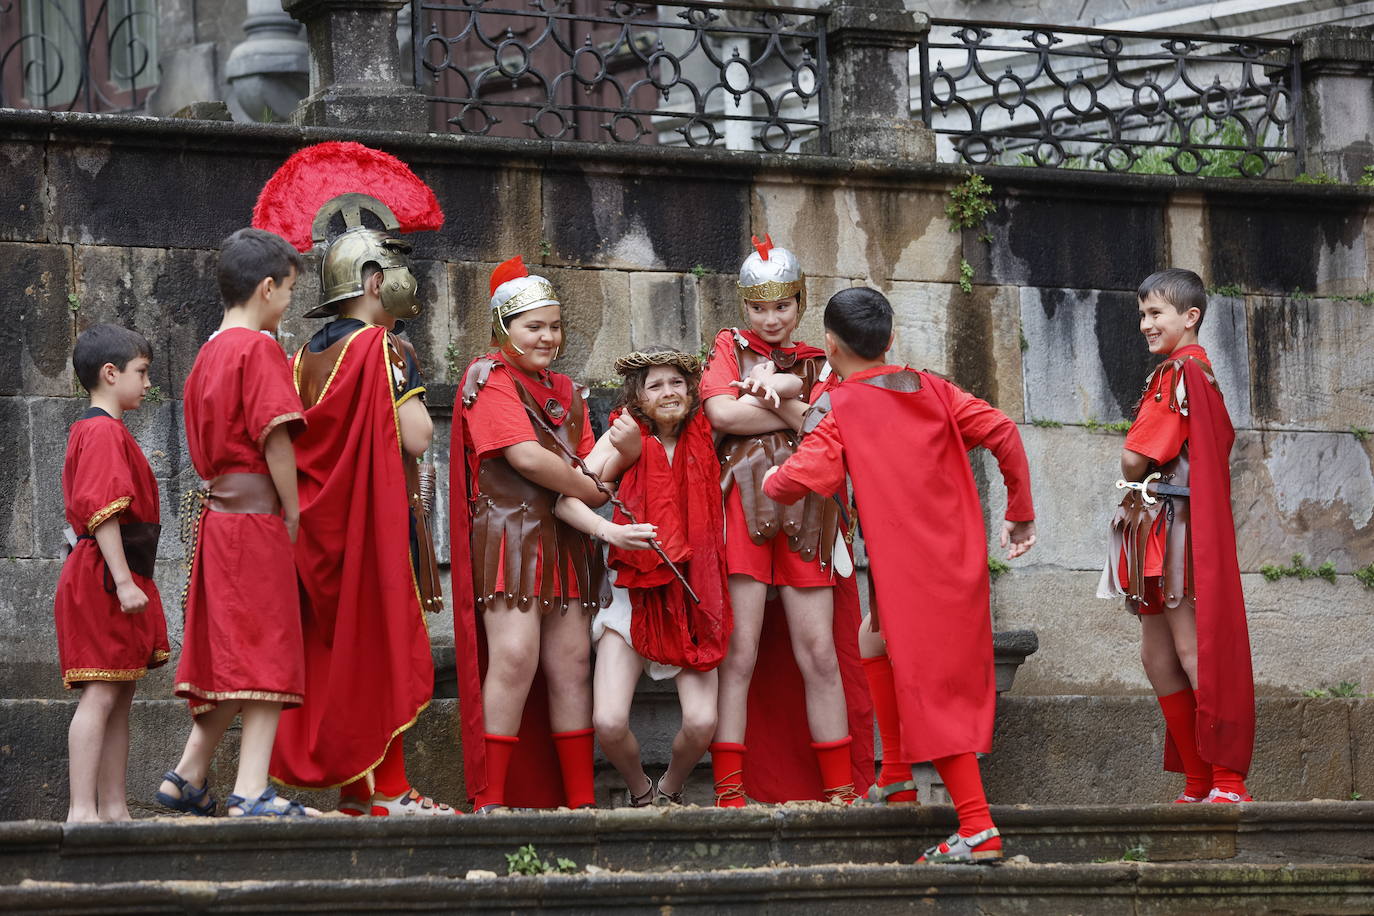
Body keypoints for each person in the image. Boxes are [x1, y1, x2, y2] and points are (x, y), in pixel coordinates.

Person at [763, 287, 1036, 864]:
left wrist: (771, 479)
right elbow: (1004, 432)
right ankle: (895, 775)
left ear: (830, 346)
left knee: (930, 688)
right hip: (951, 559)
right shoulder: (930, 386)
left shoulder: (841, 406)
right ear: (890, 340)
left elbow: (795, 479)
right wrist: (1018, 513)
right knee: (872, 638)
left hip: (910, 569)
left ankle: (978, 827)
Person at [263, 153, 452, 816]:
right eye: (397, 267)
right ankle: (390, 792)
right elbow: (418, 437)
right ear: (373, 280)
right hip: (369, 523)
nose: (405, 280)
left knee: (340, 658)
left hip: (315, 530)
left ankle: (358, 790)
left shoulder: (301, 356)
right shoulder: (379, 348)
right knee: (381, 646)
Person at [702, 235, 871, 806]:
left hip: (809, 509)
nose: (770, 318)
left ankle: (840, 792)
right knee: (741, 650)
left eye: (782, 306)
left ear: (800, 303)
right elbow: (719, 413)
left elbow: (823, 426)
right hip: (741, 506)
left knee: (819, 652)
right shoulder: (728, 345)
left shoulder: (821, 359)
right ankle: (729, 794)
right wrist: (787, 404)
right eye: (758, 307)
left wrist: (780, 394)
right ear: (742, 306)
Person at [156, 228, 314, 817]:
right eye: (290, 290)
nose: (289, 302)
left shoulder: (206, 354)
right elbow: (275, 436)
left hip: (219, 517)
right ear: (267, 287)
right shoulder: (258, 348)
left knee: (236, 653)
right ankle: (252, 790)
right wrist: (294, 510)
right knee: (269, 649)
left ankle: (187, 776)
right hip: (253, 519)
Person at [451, 256, 613, 812]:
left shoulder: (566, 388)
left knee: (571, 665)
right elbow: (525, 458)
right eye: (534, 326)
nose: (548, 336)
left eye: (555, 325)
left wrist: (597, 479)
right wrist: (593, 491)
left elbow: (591, 457)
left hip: (566, 539)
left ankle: (582, 803)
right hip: (509, 536)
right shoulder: (490, 378)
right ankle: (490, 801)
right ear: (504, 329)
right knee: (515, 657)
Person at [1099, 268, 1255, 804]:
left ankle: (1226, 782)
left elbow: (1135, 457)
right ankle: (1198, 782)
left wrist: (1132, 457)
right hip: (1162, 529)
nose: (1145, 324)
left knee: (1192, 652)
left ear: (1190, 318)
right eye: (1142, 314)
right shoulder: (1192, 372)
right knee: (1158, 656)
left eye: (1155, 313)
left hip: (1173, 531)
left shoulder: (1178, 373)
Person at [556, 346, 732, 806]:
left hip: (694, 601)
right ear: (638, 396)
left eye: (677, 382)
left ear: (691, 390)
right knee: (610, 723)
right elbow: (566, 501)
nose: (669, 392)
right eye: (656, 385)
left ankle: (670, 791)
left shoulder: (710, 433)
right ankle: (640, 792)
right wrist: (611, 530)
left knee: (700, 723)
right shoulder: (621, 439)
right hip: (631, 602)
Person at [56, 324, 171, 823]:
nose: (147, 384)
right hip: (106, 575)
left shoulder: (102, 429)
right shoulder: (101, 430)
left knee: (119, 693)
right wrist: (123, 581)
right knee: (102, 693)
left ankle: (114, 809)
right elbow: (103, 509)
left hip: (115, 571)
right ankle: (83, 811)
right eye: (141, 373)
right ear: (110, 373)